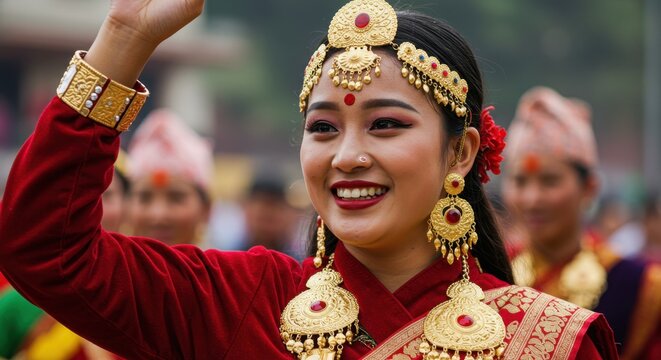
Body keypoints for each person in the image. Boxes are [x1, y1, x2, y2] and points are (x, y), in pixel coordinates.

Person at [0, 0, 617, 359]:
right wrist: (124, 36)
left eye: (385, 126)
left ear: (460, 154)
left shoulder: (547, 342)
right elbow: (43, 249)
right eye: (323, 128)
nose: (346, 156)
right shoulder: (242, 301)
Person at [503, 86, 661, 359]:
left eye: (549, 181)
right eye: (519, 181)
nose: (531, 199)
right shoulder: (491, 272)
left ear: (589, 187)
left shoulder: (638, 284)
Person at [0, 157, 129, 360]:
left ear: (128, 205)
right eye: (75, 197)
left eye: (106, 195)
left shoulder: (140, 290)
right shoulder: (18, 300)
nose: (89, 210)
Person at [125, 108, 213, 246]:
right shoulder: (107, 267)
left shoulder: (221, 267)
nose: (159, 215)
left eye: (176, 198)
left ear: (206, 209)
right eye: (144, 197)